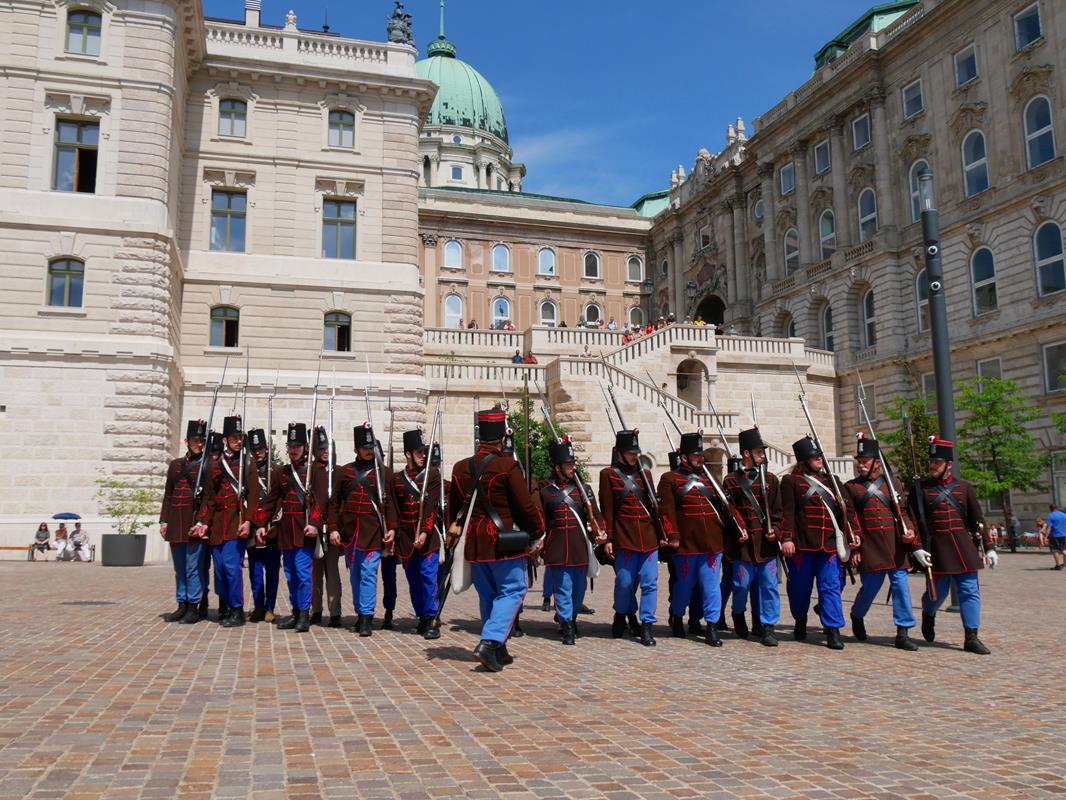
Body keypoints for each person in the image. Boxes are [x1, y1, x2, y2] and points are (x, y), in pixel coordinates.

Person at [447, 409, 545, 672]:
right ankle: (490, 642)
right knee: (513, 590)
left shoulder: (460, 468)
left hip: (475, 543)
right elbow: (525, 507)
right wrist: (538, 532)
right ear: (502, 437)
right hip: (504, 540)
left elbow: (453, 511)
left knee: (489, 595)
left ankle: (499, 649)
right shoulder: (507, 466)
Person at [908, 436, 997, 654]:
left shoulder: (964, 488)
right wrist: (917, 546)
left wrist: (989, 546)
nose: (932, 466)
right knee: (935, 594)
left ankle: (971, 637)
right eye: (931, 462)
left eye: (937, 463)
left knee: (969, 591)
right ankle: (928, 615)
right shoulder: (920, 489)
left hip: (962, 546)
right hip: (936, 548)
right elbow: (913, 520)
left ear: (949, 465)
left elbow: (978, 519)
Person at [658, 432, 741, 648]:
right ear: (684, 457)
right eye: (695, 455)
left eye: (701, 455)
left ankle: (711, 626)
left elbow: (726, 506)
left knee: (711, 587)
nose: (700, 458)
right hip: (686, 544)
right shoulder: (670, 479)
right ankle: (677, 617)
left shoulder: (711, 479)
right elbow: (666, 511)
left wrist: (739, 526)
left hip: (713, 543)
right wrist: (673, 536)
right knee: (684, 587)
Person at [780, 435, 860, 650]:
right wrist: (787, 537)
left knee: (831, 587)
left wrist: (854, 533)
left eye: (819, 456)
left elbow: (847, 510)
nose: (819, 459)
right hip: (802, 545)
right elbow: (787, 512)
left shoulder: (832, 481)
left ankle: (833, 629)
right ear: (804, 459)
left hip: (830, 544)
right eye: (814, 456)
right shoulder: (791, 482)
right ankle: (800, 620)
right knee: (799, 589)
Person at [845, 434, 920, 651]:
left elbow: (903, 511)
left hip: (895, 545)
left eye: (864, 461)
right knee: (870, 588)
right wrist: (857, 546)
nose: (860, 465)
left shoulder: (893, 483)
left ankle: (903, 631)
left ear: (876, 463)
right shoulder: (852, 487)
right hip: (870, 546)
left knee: (900, 585)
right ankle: (857, 615)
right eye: (859, 461)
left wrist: (909, 530)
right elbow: (851, 519)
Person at [256, 422, 327, 633]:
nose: (294, 449)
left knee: (302, 573)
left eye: (298, 445)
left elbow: (321, 501)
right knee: (290, 573)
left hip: (305, 529)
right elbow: (271, 500)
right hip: (286, 531)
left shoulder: (315, 470)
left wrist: (315, 524)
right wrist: (261, 523)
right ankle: (296, 611)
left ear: (305, 447)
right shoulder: (282, 472)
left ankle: (304, 614)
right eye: (291, 445)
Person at [328, 423, 398, 636]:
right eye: (364, 447)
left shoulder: (384, 473)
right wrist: (333, 528)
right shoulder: (345, 472)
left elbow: (391, 504)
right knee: (356, 575)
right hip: (350, 533)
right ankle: (360, 613)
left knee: (368, 574)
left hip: (373, 532)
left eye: (371, 446)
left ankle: (367, 617)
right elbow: (334, 503)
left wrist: (392, 528)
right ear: (356, 449)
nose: (369, 450)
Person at [535, 437, 604, 645]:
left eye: (573, 464)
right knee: (563, 588)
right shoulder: (546, 491)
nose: (572, 468)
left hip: (579, 546)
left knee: (579, 588)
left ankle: (572, 616)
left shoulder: (584, 490)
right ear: (557, 468)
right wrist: (538, 541)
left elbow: (596, 516)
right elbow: (541, 520)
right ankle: (566, 625)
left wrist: (600, 532)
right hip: (557, 548)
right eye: (568, 465)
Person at [600, 429, 664, 646]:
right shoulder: (607, 475)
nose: (634, 456)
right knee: (624, 583)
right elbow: (607, 509)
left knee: (650, 583)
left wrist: (663, 533)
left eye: (635, 452)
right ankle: (621, 613)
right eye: (630, 452)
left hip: (648, 537)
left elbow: (654, 507)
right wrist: (608, 538)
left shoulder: (645, 475)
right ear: (619, 453)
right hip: (624, 537)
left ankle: (647, 625)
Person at [193, 415, 256, 627]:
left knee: (231, 567)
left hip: (236, 523)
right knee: (219, 570)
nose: (238, 441)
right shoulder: (215, 465)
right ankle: (227, 606)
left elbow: (254, 497)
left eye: (240, 437)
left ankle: (237, 610)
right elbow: (209, 499)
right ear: (225, 440)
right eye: (234, 437)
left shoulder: (248, 462)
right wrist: (203, 523)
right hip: (218, 524)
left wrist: (248, 521)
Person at [723, 428, 782, 646]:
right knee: (741, 585)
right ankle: (738, 613)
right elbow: (728, 510)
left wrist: (775, 530)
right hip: (744, 545)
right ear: (747, 453)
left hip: (766, 545)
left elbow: (778, 511)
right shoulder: (730, 480)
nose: (763, 455)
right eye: (759, 451)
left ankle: (768, 626)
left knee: (769, 586)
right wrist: (738, 528)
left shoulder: (770, 480)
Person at [391, 428, 444, 638]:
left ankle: (432, 618)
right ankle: (421, 616)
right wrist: (393, 532)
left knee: (428, 576)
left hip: (428, 537)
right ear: (408, 454)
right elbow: (394, 509)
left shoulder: (432, 475)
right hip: (406, 540)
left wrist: (424, 531)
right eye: (420, 452)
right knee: (413, 580)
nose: (424, 456)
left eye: (425, 452)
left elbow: (431, 507)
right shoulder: (397, 479)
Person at [159, 419, 207, 622]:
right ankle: (182, 603)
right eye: (196, 440)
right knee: (179, 567)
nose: (199, 444)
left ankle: (194, 606)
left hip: (192, 521)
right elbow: (168, 495)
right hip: (175, 522)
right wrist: (163, 521)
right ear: (187, 441)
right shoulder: (176, 465)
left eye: (202, 440)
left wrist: (201, 522)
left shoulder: (206, 465)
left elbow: (207, 498)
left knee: (192, 567)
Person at [245, 428, 281, 623]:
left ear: (266, 449)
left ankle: (270, 607)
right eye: (254, 449)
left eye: (260, 448)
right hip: (252, 528)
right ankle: (258, 605)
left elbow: (279, 500)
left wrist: (272, 522)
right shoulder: (247, 470)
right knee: (255, 570)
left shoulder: (275, 470)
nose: (257, 452)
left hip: (270, 529)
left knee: (272, 570)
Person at [311, 427, 343, 627]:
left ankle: (335, 612)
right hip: (314, 528)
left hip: (332, 529)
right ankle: (316, 610)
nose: (325, 451)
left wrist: (334, 526)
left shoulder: (338, 472)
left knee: (332, 574)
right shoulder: (310, 471)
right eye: (321, 448)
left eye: (328, 448)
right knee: (315, 574)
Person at [1046, 504, 1066, 569]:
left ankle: (1058, 565)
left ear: (1050, 509)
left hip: (1055, 535)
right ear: (1057, 508)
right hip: (1064, 534)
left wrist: (1046, 536)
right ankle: (1065, 564)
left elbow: (1049, 527)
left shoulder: (1050, 515)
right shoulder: (1064, 515)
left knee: (1055, 550)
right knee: (1064, 549)